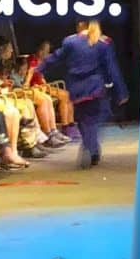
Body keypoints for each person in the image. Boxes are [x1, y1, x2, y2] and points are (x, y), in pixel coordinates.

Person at [36, 20, 129, 167]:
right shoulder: (103, 42)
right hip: (96, 89)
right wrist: (120, 92)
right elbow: (111, 68)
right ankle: (90, 148)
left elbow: (56, 57)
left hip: (77, 90)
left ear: (79, 25)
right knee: (92, 120)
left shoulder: (70, 41)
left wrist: (39, 68)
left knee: (84, 120)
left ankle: (92, 148)